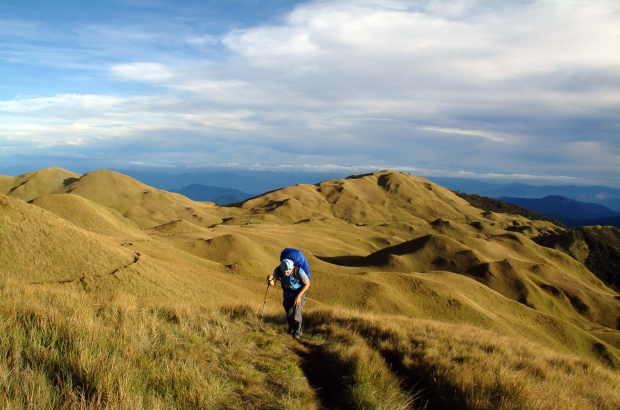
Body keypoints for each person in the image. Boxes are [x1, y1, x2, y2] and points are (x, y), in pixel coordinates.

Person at [267, 258, 310, 339]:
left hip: (299, 294)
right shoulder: (279, 270)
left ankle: (297, 332)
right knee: (289, 313)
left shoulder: (299, 271)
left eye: (288, 272)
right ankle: (291, 329)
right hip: (287, 295)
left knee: (296, 312)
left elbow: (307, 283)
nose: (286, 274)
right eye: (284, 272)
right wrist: (270, 280)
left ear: (292, 268)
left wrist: (298, 297)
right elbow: (273, 283)